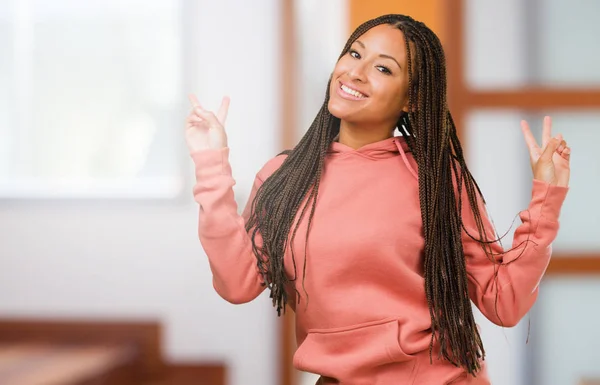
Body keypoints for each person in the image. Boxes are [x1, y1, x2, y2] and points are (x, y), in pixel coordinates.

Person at [184, 14, 570, 385]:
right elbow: (237, 285)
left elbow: (504, 302)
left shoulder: (435, 179)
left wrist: (545, 202)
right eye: (354, 53)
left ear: (412, 99)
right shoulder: (284, 177)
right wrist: (211, 167)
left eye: (383, 68)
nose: (354, 71)